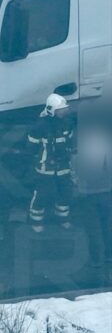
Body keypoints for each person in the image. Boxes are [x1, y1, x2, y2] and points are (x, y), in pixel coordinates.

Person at [74, 100, 112, 284]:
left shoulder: (88, 142)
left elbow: (83, 168)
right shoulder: (106, 140)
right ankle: (108, 258)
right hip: (107, 190)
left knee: (94, 229)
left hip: (90, 192)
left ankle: (97, 262)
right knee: (107, 225)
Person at [27, 93, 74, 232]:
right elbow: (31, 148)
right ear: (51, 110)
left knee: (65, 192)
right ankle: (35, 221)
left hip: (63, 166)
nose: (64, 111)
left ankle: (63, 219)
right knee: (42, 193)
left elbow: (69, 142)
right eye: (60, 109)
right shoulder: (39, 127)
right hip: (45, 167)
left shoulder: (67, 124)